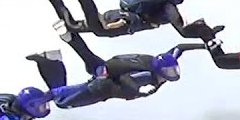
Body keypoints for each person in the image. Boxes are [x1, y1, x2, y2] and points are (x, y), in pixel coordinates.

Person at [27, 29, 205, 109]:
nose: (171, 75)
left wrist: (205, 46)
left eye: (173, 71)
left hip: (106, 70)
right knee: (61, 102)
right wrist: (138, 93)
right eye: (169, 73)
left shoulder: (162, 60)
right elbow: (128, 82)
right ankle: (52, 62)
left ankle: (65, 44)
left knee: (88, 57)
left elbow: (179, 47)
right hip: (101, 88)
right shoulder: (147, 77)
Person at [23, 0, 217, 40]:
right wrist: (205, 33)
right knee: (100, 31)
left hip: (118, 13)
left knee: (73, 26)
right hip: (129, 22)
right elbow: (183, 31)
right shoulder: (169, 8)